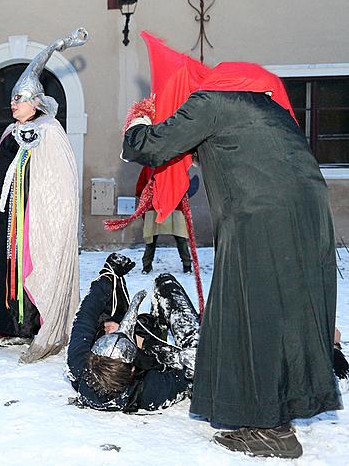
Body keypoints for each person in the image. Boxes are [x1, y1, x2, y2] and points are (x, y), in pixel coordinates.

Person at [120, 33, 339, 458]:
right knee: (286, 315)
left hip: (260, 218)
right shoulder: (266, 107)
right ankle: (278, 411)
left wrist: (139, 119)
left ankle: (271, 429)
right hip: (310, 216)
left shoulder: (210, 102)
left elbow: (151, 146)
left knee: (252, 314)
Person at [0, 28, 86, 363]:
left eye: (19, 100)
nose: (12, 104)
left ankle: (30, 326)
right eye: (12, 99)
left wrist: (44, 215)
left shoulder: (49, 133)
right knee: (4, 268)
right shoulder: (10, 132)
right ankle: (7, 326)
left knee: (28, 267)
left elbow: (59, 183)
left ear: (36, 103)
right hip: (5, 217)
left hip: (32, 218)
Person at [67, 254, 199, 412]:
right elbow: (193, 366)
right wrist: (142, 343)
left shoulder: (80, 365)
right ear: (132, 369)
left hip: (135, 335)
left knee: (103, 312)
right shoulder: (152, 390)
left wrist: (107, 275)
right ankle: (159, 326)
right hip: (153, 353)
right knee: (165, 282)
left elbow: (85, 317)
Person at [135, 166, 192, 274]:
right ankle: (147, 265)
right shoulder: (149, 167)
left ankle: (187, 265)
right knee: (152, 238)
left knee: (180, 237)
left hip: (173, 206)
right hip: (156, 206)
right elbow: (141, 186)